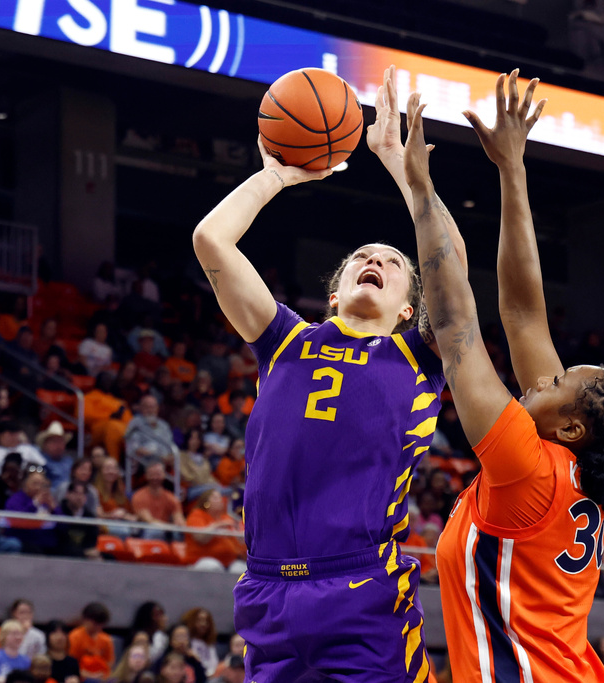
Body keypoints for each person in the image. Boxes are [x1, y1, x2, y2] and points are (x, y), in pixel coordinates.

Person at [193, 66, 455, 683]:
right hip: (266, 588)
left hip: (363, 589)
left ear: (409, 309)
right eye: (361, 258)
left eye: (392, 263)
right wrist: (275, 176)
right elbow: (212, 241)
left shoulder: (421, 356)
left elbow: (450, 267)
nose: (375, 260)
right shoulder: (284, 340)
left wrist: (401, 169)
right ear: (334, 293)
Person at [426, 73, 604, 681]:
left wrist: (420, 192)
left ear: (572, 425)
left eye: (554, 384)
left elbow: (455, 330)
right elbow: (523, 312)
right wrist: (512, 168)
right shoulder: (571, 474)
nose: (538, 381)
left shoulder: (529, 467)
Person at [183, 490, 245, 573]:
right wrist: (217, 526)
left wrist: (239, 536)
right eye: (215, 498)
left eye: (220, 497)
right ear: (206, 502)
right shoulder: (197, 515)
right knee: (213, 567)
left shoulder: (226, 518)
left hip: (229, 562)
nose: (221, 500)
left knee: (242, 569)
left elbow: (239, 544)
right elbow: (200, 538)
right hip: (200, 560)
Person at [130, 461, 185, 530]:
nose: (155, 477)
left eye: (158, 474)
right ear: (146, 475)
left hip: (166, 531)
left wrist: (179, 523)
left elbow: (179, 519)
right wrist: (171, 527)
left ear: (164, 475)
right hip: (145, 531)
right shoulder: (139, 496)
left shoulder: (171, 498)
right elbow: (149, 521)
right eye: (152, 474)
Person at [67, 603, 114, 681]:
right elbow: (70, 664)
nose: (98, 627)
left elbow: (109, 663)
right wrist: (88, 675)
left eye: (101, 624)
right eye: (95, 624)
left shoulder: (106, 639)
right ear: (85, 620)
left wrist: (100, 674)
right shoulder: (75, 636)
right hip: (80, 677)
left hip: (100, 677)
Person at [179, 610, 217, 677]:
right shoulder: (187, 642)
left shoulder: (210, 644)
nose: (203, 624)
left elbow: (214, 664)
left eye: (206, 621)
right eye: (200, 620)